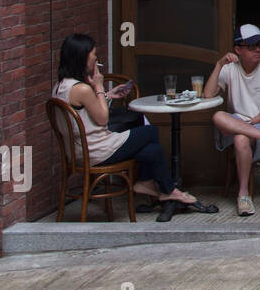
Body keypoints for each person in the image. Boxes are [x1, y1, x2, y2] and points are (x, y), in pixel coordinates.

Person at [53, 34, 214, 217]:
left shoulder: (62, 85)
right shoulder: (82, 89)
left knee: (152, 150)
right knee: (150, 131)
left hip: (79, 151)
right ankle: (165, 188)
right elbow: (103, 119)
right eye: (93, 55)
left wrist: (107, 95)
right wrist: (99, 86)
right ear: (81, 58)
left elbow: (87, 110)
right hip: (97, 150)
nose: (97, 60)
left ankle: (155, 186)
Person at [206, 23, 260, 217]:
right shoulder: (230, 68)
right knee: (218, 116)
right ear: (238, 49)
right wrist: (219, 64)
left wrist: (246, 125)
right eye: (252, 46)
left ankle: (243, 194)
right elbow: (208, 94)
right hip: (240, 121)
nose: (258, 50)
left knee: (239, 137)